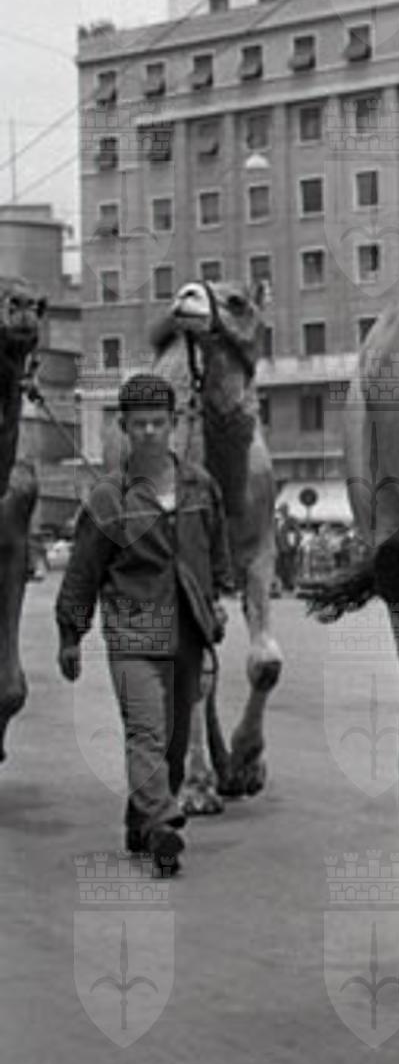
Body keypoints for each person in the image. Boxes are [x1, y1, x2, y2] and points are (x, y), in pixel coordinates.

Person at [56, 373, 233, 878]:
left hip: (189, 631)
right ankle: (161, 826)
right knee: (146, 733)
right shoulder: (108, 499)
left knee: (174, 745)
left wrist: (219, 597)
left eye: (158, 422)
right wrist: (71, 636)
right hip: (134, 634)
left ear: (174, 424)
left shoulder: (201, 487)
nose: (150, 432)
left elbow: (216, 550)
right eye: (140, 424)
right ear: (125, 429)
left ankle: (141, 821)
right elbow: (82, 573)